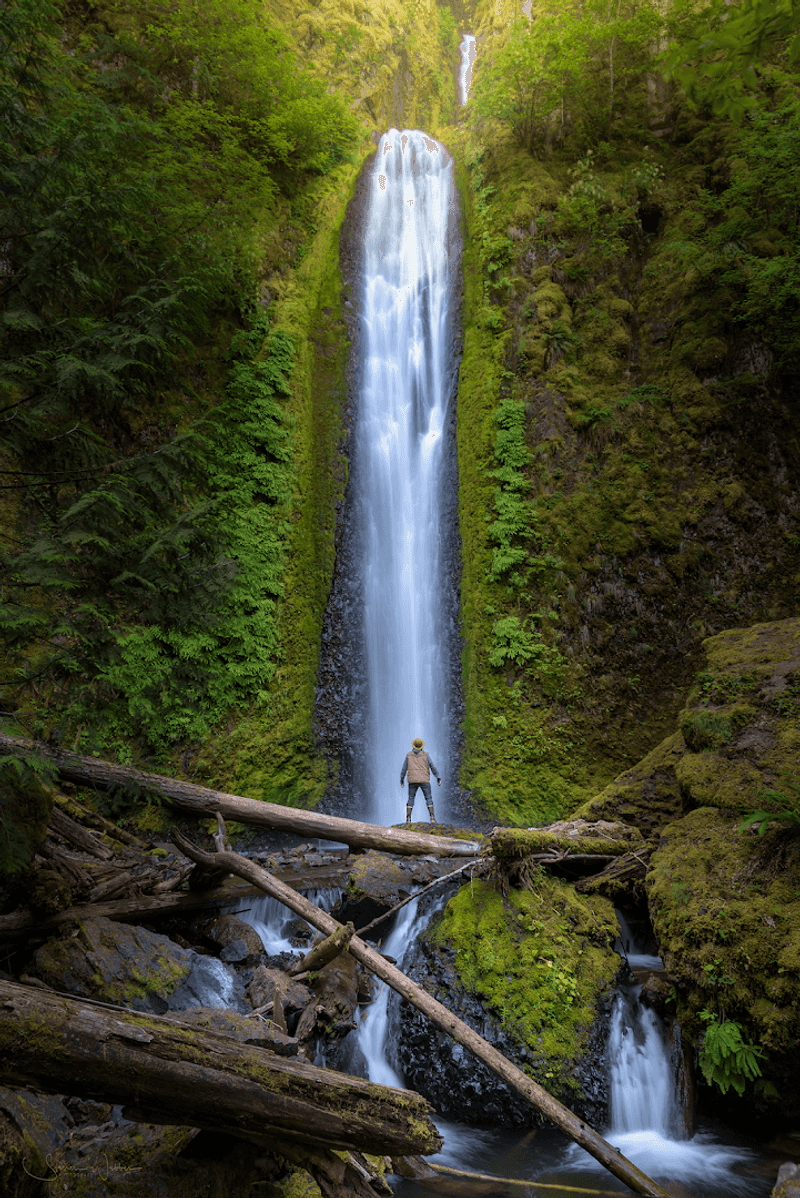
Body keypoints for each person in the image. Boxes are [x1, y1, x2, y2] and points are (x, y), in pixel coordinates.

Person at [400, 737, 441, 824]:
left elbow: (404, 769)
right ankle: (432, 818)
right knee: (428, 797)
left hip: (412, 780)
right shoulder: (426, 755)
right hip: (424, 780)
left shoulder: (408, 755)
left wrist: (401, 779)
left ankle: (408, 819)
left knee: (411, 798)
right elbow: (432, 767)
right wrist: (438, 777)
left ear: (414, 746)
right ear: (421, 747)